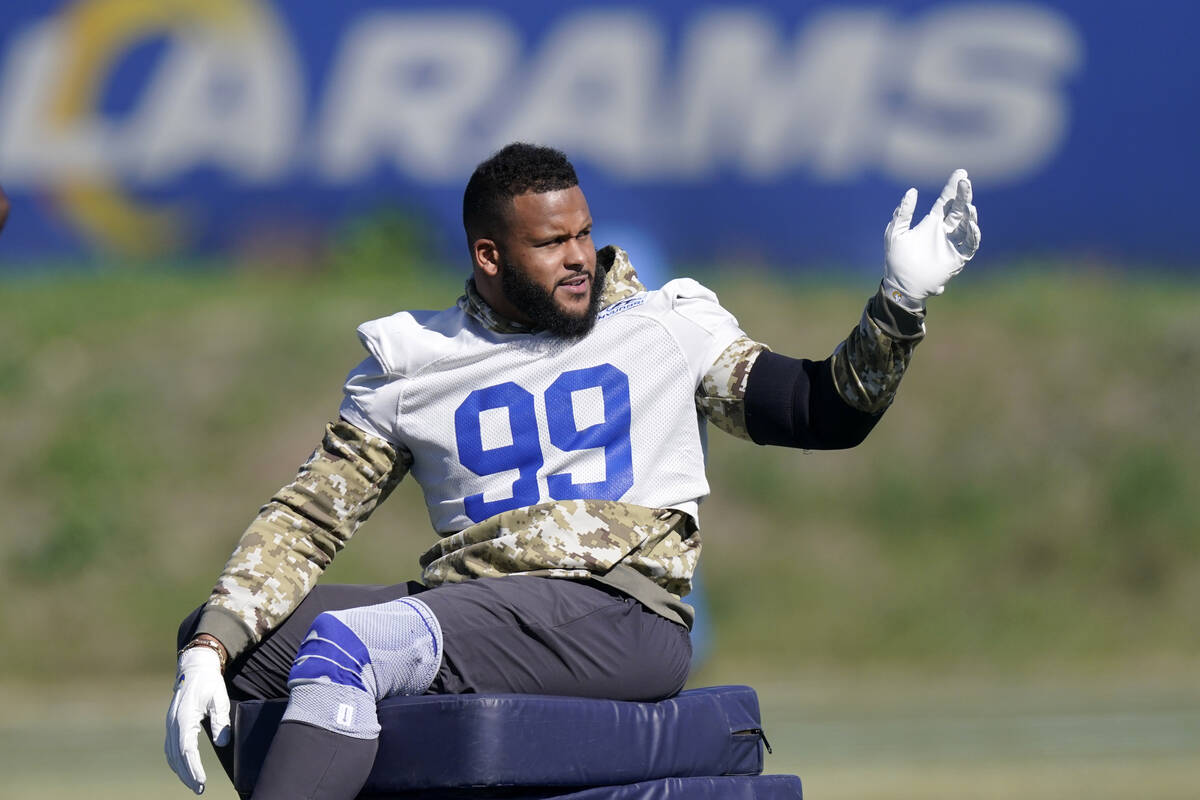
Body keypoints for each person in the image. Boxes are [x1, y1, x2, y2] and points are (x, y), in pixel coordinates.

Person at [165, 143, 980, 799]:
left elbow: (819, 411)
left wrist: (896, 307)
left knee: (355, 644)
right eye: (551, 243)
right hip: (475, 613)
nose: (579, 256)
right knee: (238, 638)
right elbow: (309, 518)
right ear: (489, 255)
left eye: (582, 233)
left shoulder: (662, 327)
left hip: (619, 614)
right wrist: (211, 641)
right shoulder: (418, 362)